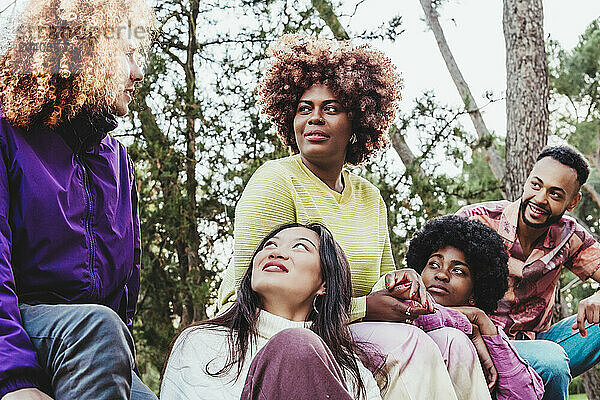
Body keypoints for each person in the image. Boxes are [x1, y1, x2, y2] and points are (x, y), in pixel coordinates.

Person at [217, 34, 491, 400]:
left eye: (331, 108)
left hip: (347, 326)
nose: (314, 117)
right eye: (303, 107)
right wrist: (365, 307)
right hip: (277, 331)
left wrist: (401, 283)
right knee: (409, 343)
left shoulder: (369, 197)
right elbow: (257, 291)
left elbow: (380, 283)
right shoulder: (275, 180)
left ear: (358, 120)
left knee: (454, 343)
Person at [0, 0, 156, 399]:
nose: (139, 74)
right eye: (129, 56)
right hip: (16, 330)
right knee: (98, 330)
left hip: (93, 343)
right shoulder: (8, 133)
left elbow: (123, 296)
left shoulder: (118, 161)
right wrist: (13, 380)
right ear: (87, 52)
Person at [161, 222, 382, 400]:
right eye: (269, 245)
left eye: (300, 247)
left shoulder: (349, 369)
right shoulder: (203, 342)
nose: (276, 252)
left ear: (323, 283)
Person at [457, 145, 600, 400]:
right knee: (552, 362)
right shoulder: (476, 220)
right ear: (527, 180)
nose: (540, 199)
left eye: (555, 194)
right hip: (480, 343)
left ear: (573, 201)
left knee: (551, 355)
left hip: (537, 340)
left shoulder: (569, 235)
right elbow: (433, 284)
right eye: (536, 185)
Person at [407, 215, 544, 400]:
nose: (441, 274)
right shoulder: (402, 310)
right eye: (433, 264)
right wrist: (466, 319)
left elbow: (524, 396)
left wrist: (486, 326)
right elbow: (419, 317)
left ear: (475, 291)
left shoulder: (484, 328)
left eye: (458, 270)